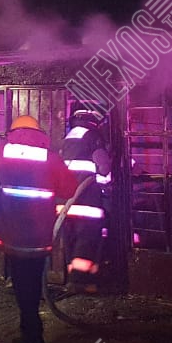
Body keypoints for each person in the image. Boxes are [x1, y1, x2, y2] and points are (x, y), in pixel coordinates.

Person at [0, 115, 76, 343]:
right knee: (34, 282)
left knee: (20, 283)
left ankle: (31, 335)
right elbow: (69, 188)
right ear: (39, 133)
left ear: (13, 132)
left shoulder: (3, 152)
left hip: (11, 232)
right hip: (38, 235)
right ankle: (32, 335)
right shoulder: (50, 157)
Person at [58, 104, 111, 294]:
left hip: (65, 201)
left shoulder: (67, 137)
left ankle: (73, 279)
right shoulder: (92, 136)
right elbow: (104, 167)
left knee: (70, 239)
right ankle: (80, 282)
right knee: (87, 238)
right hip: (86, 199)